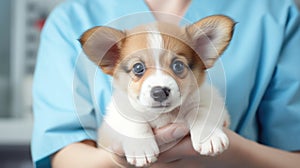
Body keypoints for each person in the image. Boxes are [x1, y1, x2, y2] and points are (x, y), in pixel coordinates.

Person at [31, 0, 300, 167]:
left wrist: (231, 152)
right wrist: (120, 156)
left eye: (178, 66)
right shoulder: (70, 19)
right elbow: (62, 155)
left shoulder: (273, 11)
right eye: (138, 69)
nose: (159, 83)